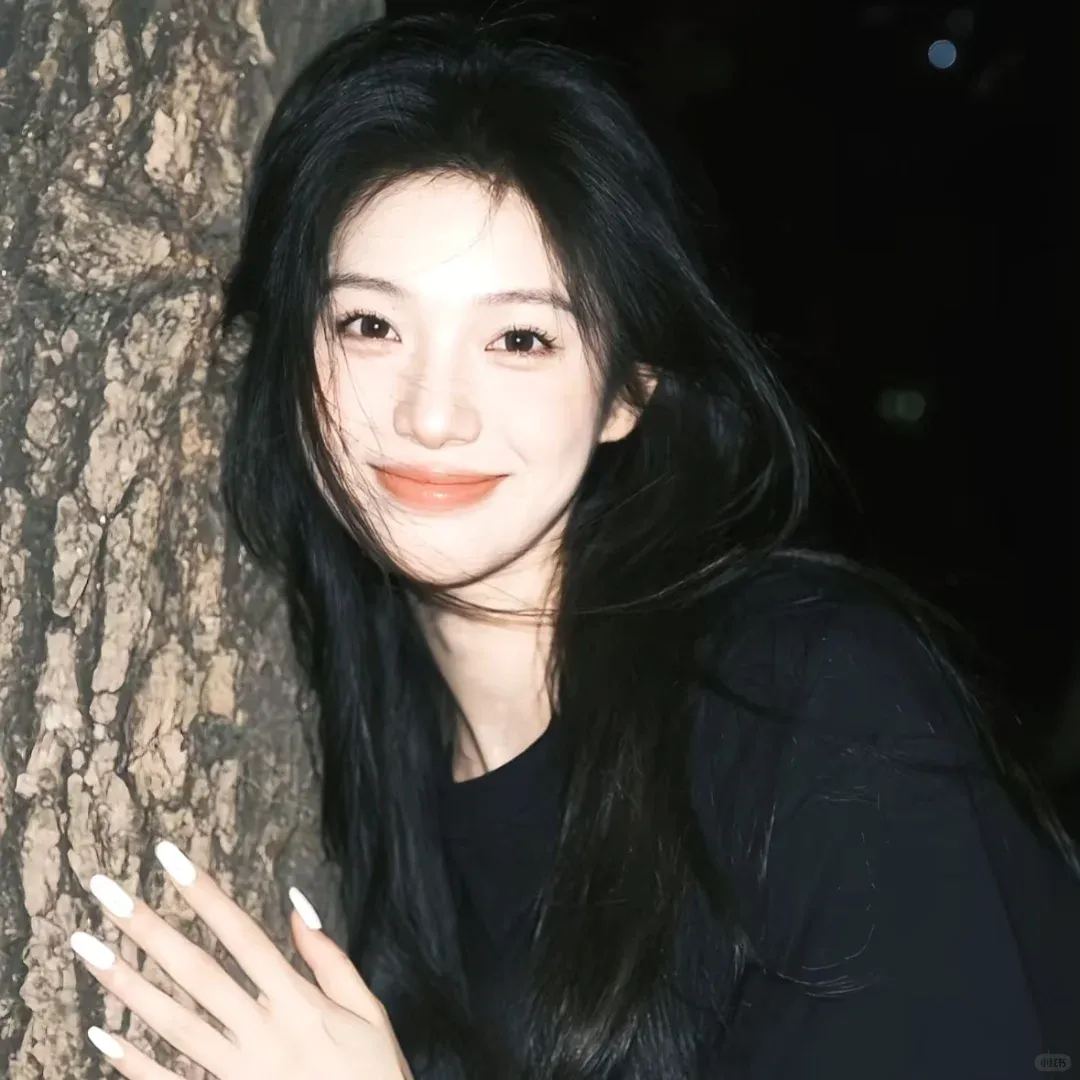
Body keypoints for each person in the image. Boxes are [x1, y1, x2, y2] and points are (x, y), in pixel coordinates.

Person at [216, 9, 1080, 1079]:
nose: (430, 414)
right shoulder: (353, 737)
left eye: (520, 338)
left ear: (629, 389)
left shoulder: (813, 705)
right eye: (370, 325)